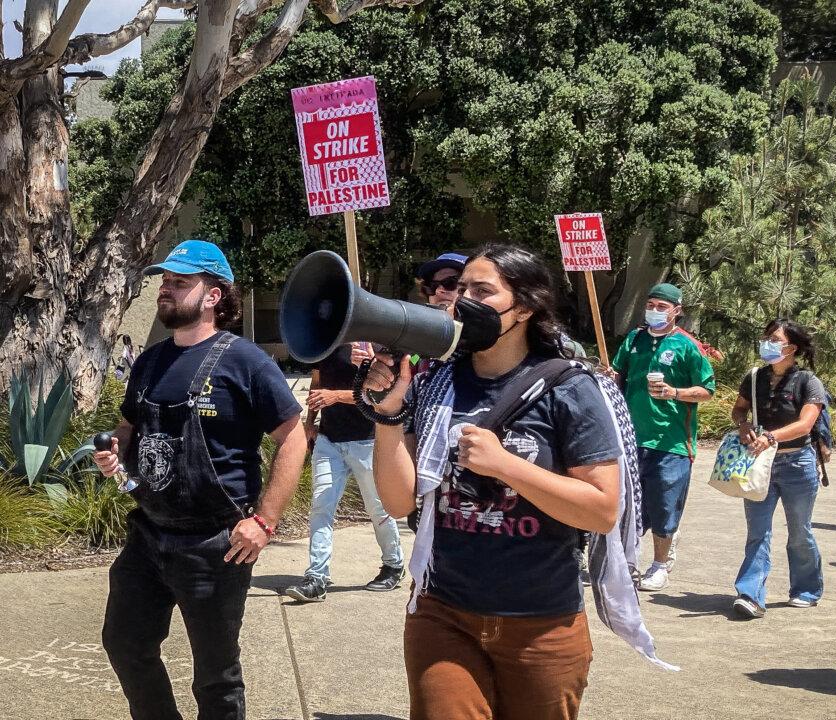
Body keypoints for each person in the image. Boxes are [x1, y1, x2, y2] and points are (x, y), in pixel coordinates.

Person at [363, 244, 623, 720]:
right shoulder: (436, 382)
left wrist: (505, 465)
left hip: (542, 625)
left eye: (482, 290)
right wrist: (387, 417)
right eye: (460, 289)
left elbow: (602, 511)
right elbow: (400, 501)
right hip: (443, 614)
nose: (462, 300)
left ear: (524, 307)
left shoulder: (569, 387)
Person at [92, 239, 306, 720]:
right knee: (125, 644)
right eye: (165, 281)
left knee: (215, 675)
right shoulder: (150, 360)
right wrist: (116, 455)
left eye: (179, 283)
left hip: (216, 544)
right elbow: (130, 425)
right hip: (148, 536)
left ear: (213, 295)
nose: (166, 290)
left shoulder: (245, 361)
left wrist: (265, 522)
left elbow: (293, 437)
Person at [608, 283, 716, 591]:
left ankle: (659, 565)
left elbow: (707, 390)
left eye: (661, 306)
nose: (654, 311)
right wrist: (608, 377)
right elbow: (619, 374)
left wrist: (675, 392)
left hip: (671, 443)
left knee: (664, 507)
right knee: (626, 507)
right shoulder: (634, 339)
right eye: (651, 304)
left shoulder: (686, 346)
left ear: (676, 311)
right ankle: (626, 562)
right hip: (630, 438)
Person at [285, 341, 406, 603]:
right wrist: (309, 423)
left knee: (378, 508)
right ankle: (316, 578)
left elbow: (380, 396)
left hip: (366, 441)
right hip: (329, 440)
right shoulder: (325, 346)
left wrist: (337, 394)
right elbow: (317, 385)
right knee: (321, 507)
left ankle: (393, 566)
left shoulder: (375, 348)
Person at [730, 319, 826, 619]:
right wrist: (744, 425)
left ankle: (806, 589)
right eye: (766, 338)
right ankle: (750, 594)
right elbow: (739, 408)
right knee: (758, 531)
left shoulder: (808, 381)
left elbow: (806, 423)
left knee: (799, 530)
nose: (767, 343)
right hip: (760, 465)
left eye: (774, 339)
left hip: (797, 463)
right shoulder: (755, 377)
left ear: (792, 347)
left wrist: (771, 436)